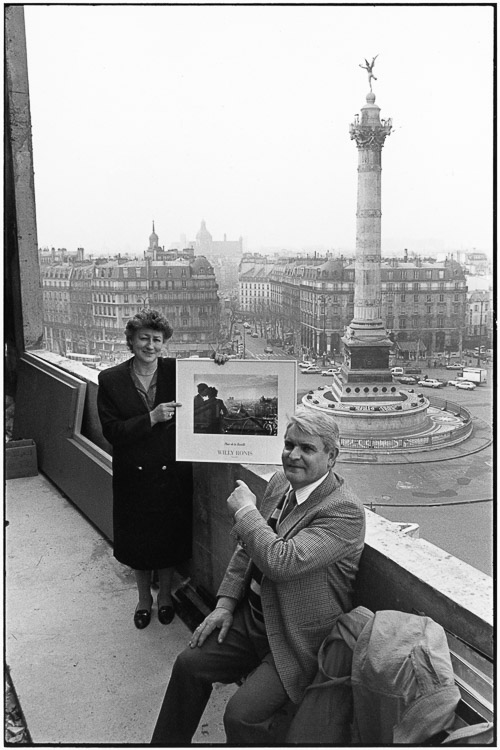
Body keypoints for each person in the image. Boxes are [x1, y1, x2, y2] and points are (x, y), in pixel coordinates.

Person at [151, 406, 366, 745]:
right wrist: (224, 603)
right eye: (289, 444)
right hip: (251, 619)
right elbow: (248, 547)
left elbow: (282, 561)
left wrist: (246, 511)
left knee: (241, 714)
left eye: (307, 448)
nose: (293, 455)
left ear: (332, 456)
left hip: (295, 638)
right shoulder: (281, 483)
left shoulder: (343, 511)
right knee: (189, 665)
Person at [97, 309, 224, 630]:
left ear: (164, 343)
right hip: (134, 475)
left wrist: (220, 361)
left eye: (157, 340)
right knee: (138, 541)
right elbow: (112, 431)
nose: (150, 345)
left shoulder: (177, 370)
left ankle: (165, 596)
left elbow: (211, 375)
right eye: (144, 338)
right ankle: (144, 599)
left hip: (171, 472)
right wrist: (151, 418)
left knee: (168, 539)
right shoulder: (110, 380)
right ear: (131, 341)